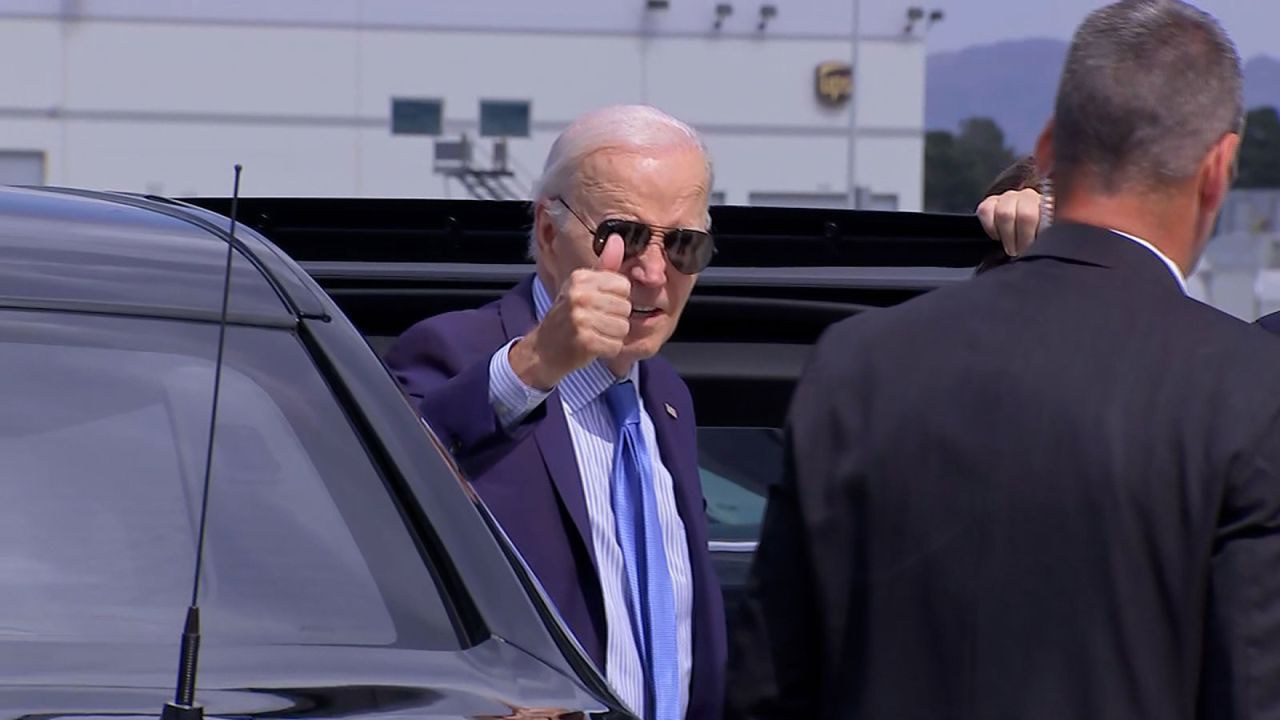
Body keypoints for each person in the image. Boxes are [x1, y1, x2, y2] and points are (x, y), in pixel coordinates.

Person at [727, 2, 1280, 718]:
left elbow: (767, 687)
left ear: (1048, 148)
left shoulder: (857, 363)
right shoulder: (1245, 387)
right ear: (1219, 169)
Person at [385, 104, 724, 720]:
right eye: (623, 236)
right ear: (547, 232)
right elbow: (386, 488)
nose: (654, 274)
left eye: (683, 244)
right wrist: (536, 362)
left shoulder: (668, 397)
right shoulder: (454, 352)